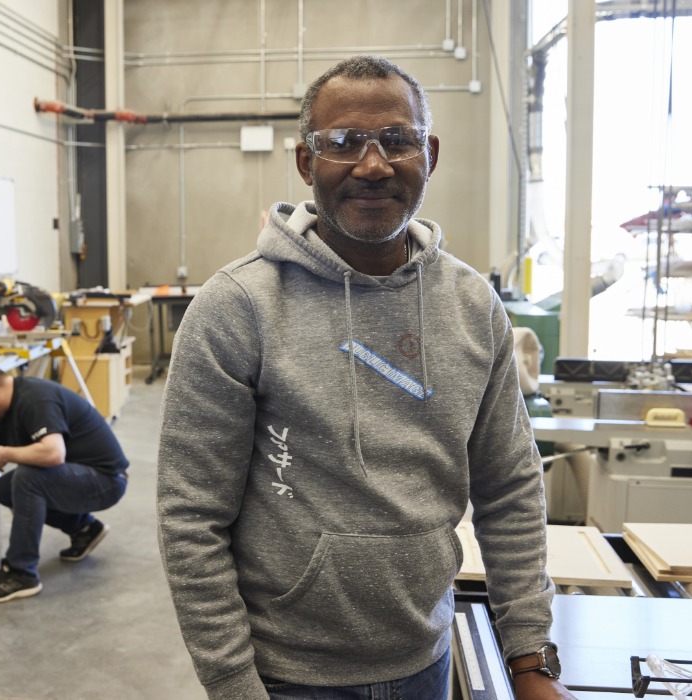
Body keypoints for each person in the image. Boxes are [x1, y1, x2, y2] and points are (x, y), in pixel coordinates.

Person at [156, 55, 575, 700]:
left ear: (428, 154)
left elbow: (511, 489)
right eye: (344, 143)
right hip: (286, 676)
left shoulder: (472, 306)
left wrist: (529, 659)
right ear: (306, 163)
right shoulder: (237, 307)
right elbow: (191, 519)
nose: (373, 165)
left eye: (397, 140)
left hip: (427, 659)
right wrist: (233, 685)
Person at [0, 363, 129, 604]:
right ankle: (83, 529)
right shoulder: (2, 413)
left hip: (107, 480)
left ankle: (22, 573)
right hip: (80, 476)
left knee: (28, 479)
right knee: (3, 488)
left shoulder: (34, 399)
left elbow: (53, 454)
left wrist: (7, 453)